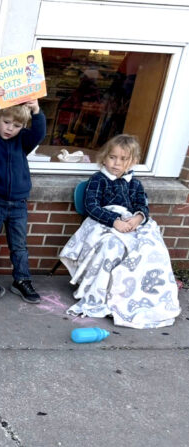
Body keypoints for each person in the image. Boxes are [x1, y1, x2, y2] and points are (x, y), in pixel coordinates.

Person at [59, 135, 180, 328]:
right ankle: (102, 294)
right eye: (112, 157)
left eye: (123, 159)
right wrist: (114, 222)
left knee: (151, 248)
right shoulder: (99, 180)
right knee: (112, 246)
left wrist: (137, 218)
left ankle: (134, 294)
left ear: (133, 162)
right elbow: (91, 206)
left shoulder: (135, 183)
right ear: (104, 157)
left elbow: (143, 206)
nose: (116, 163)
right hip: (103, 221)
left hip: (131, 222)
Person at [0, 86, 46, 303]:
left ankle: (22, 279)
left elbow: (39, 133)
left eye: (16, 125)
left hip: (19, 202)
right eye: (6, 122)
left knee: (19, 244)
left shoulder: (23, 140)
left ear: (22, 127)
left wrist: (37, 111)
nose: (9, 128)